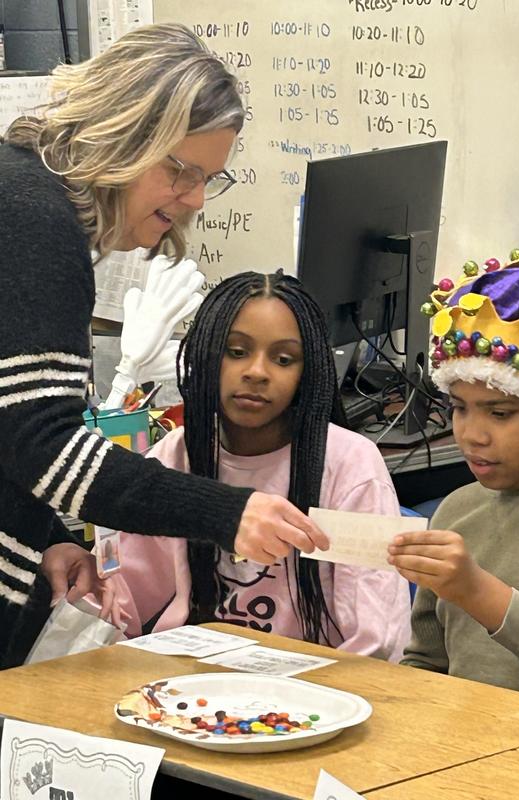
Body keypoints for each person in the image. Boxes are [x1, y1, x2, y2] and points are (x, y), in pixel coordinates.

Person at [0, 24, 326, 669]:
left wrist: (49, 539)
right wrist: (227, 512)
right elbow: (41, 440)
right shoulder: (33, 219)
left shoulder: (22, 195)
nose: (194, 200)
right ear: (121, 136)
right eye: (180, 171)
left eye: (210, 179)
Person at [111, 271, 412, 659]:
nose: (256, 372)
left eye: (283, 359)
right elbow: (126, 605)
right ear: (206, 354)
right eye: (236, 352)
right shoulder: (175, 455)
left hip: (318, 695)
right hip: (194, 689)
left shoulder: (352, 466)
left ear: (308, 372)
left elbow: (378, 637)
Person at [387, 246, 519, 706]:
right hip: (461, 749)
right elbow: (427, 662)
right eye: (459, 408)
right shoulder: (459, 508)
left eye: (500, 413)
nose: (471, 435)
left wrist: (477, 590)